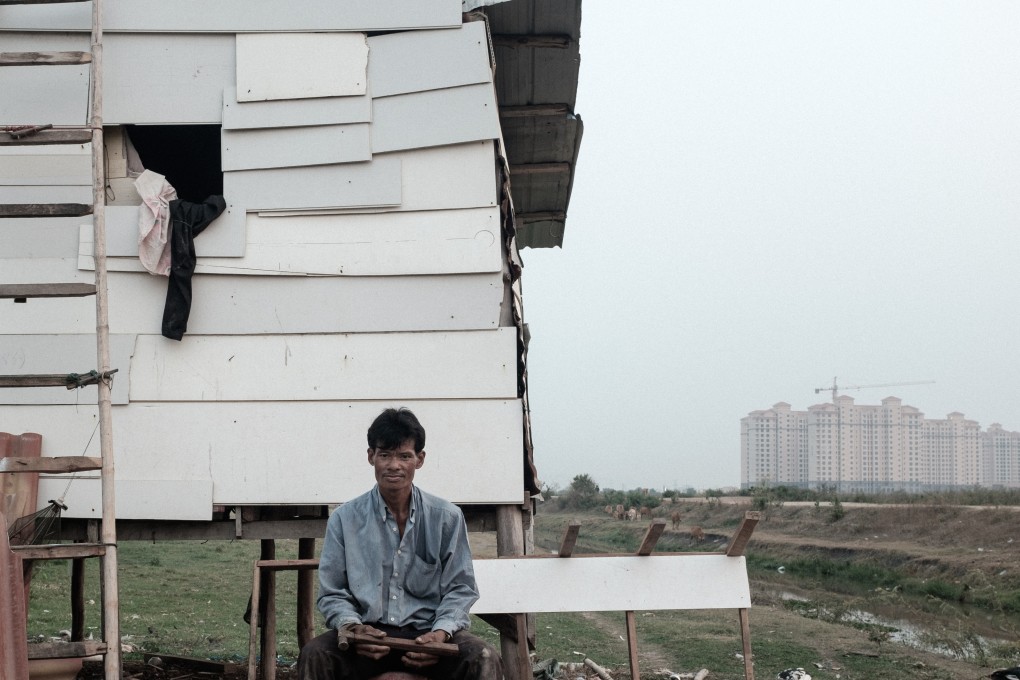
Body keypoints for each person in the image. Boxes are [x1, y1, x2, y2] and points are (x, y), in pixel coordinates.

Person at [297, 407, 504, 680]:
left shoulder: (447, 518)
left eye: (404, 456)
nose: (394, 465)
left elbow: (460, 588)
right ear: (371, 456)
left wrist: (441, 634)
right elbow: (333, 592)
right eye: (385, 455)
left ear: (419, 459)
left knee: (483, 656)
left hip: (428, 636)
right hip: (367, 637)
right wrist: (354, 628)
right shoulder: (344, 519)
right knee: (315, 654)